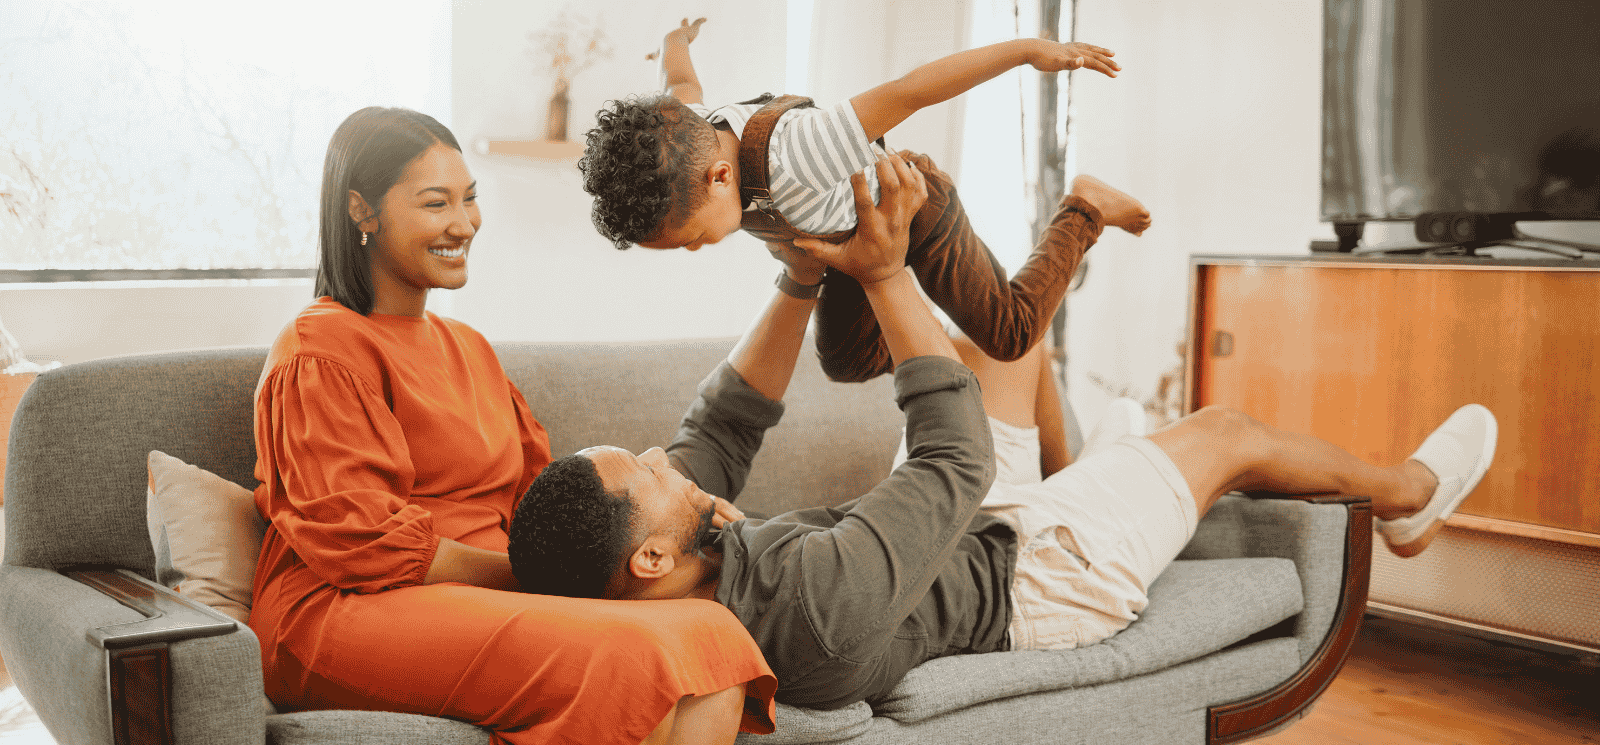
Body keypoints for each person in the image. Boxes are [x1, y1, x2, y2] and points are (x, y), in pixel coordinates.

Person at [508, 154, 1498, 709]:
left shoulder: (678, 553)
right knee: (1224, 429)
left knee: (999, 344)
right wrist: (884, 272)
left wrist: (803, 275)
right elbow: (956, 454)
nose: (663, 459)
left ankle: (1105, 450)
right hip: (1041, 576)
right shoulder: (808, 606)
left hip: (958, 530)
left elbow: (721, 423)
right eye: (646, 472)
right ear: (647, 558)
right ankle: (1409, 497)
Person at [248, 106, 777, 745]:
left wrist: (669, 535)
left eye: (469, 199)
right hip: (344, 607)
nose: (464, 223)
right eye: (435, 203)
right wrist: (532, 580)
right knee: (641, 653)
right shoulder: (321, 346)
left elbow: (544, 505)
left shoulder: (470, 347)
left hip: (477, 589)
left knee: (711, 631)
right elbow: (359, 543)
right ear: (362, 211)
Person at [578, 18, 1153, 382]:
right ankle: (940, 319)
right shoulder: (688, 127)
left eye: (692, 239)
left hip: (916, 210)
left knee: (1010, 336)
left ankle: (1085, 208)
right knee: (846, 364)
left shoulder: (800, 152)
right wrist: (674, 41)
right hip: (851, 243)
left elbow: (912, 90)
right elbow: (679, 83)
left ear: (721, 177)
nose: (696, 250)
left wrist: (1029, 50)